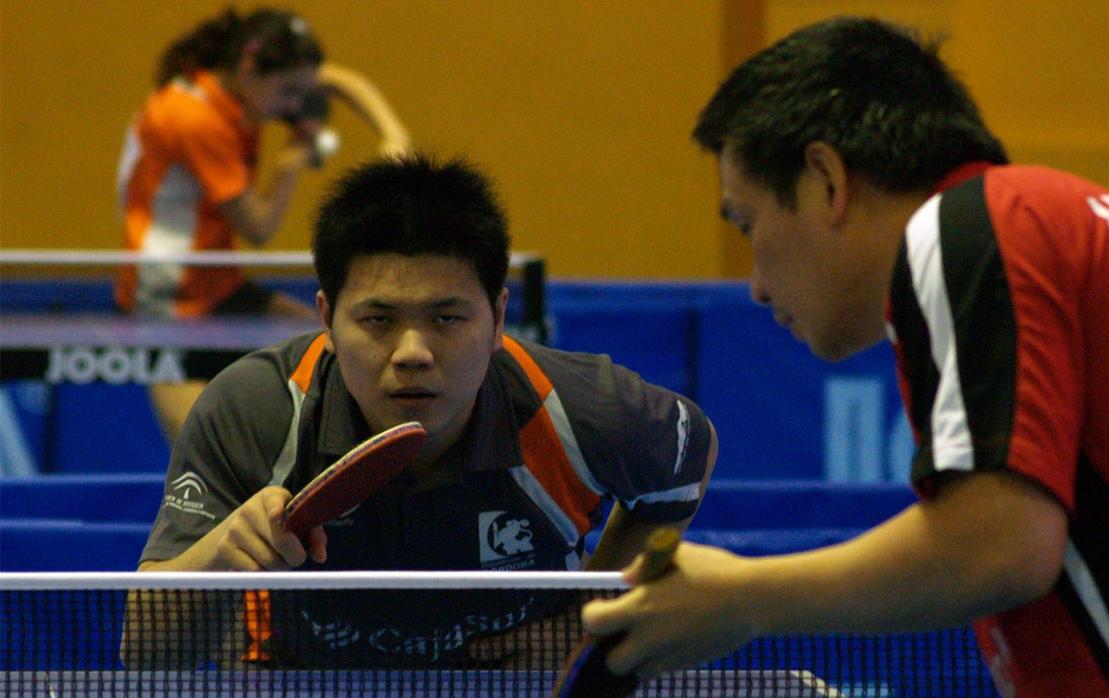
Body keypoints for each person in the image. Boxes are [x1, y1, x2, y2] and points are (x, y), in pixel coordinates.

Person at [581, 17, 1109, 697]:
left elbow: (997, 545)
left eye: (749, 225)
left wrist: (742, 596)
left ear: (826, 180)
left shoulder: (971, 225)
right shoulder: (1055, 222)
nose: (754, 283)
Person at [123, 154, 718, 669]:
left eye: (447, 318)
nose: (412, 353)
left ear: (498, 317)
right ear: (327, 320)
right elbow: (146, 652)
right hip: (299, 680)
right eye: (378, 320)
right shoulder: (254, 410)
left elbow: (690, 456)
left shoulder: (578, 410)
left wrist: (589, 619)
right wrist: (220, 553)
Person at [114, 7, 411, 440]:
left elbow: (342, 80)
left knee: (331, 344)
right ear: (250, 69)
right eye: (288, 91)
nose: (294, 104)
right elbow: (258, 227)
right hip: (165, 297)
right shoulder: (194, 118)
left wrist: (393, 135)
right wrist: (292, 161)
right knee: (199, 444)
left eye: (300, 92)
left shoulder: (233, 89)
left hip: (216, 280)